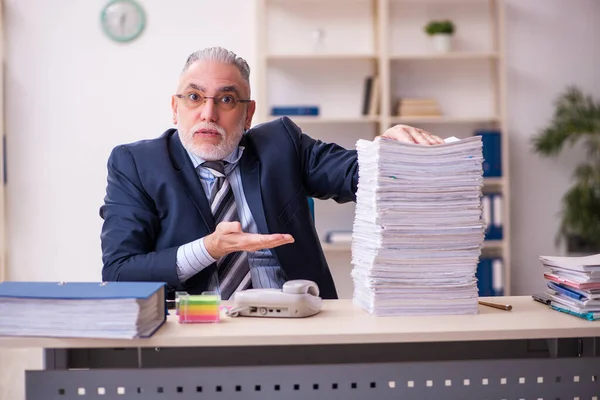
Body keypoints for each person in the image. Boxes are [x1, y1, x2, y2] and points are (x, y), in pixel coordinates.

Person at [100, 46, 443, 300]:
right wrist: (210, 248)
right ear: (176, 108)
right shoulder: (136, 164)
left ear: (248, 115)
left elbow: (354, 172)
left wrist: (388, 151)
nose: (208, 113)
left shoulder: (281, 144)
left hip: (295, 327)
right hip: (195, 333)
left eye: (226, 100)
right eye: (194, 97)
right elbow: (119, 272)